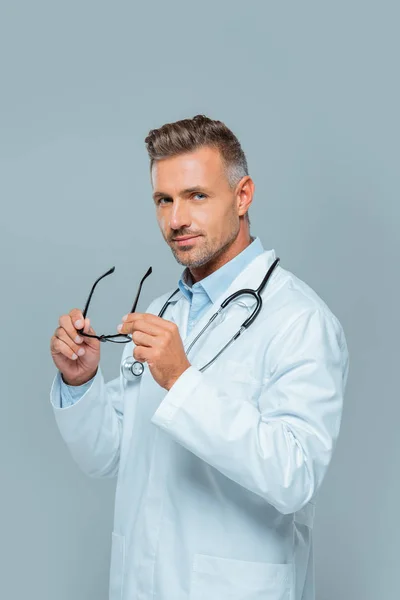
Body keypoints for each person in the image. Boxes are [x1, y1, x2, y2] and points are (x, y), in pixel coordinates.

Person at [49, 114, 349, 600]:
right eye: (163, 200)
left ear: (243, 195)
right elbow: (107, 456)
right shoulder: (161, 313)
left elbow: (295, 475)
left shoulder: (299, 320)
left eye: (197, 196)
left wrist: (182, 380)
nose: (176, 219)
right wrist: (81, 383)